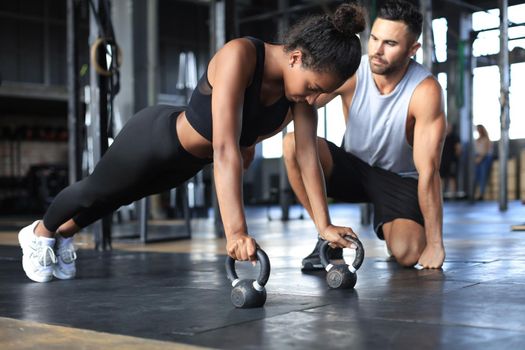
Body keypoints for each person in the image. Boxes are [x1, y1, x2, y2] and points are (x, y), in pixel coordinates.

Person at [18, 4, 366, 282]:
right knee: (94, 190)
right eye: (312, 87)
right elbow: (225, 146)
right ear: (295, 58)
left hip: (186, 162)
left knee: (117, 197)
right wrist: (236, 232)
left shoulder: (299, 98)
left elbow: (307, 156)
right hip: (154, 138)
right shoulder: (241, 55)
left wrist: (324, 226)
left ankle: (64, 235)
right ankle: (40, 233)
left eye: (322, 92)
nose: (314, 98)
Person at [283, 0, 446, 270]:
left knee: (408, 254)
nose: (377, 51)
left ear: (412, 49)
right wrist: (249, 138)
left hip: (398, 180)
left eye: (390, 44)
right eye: (373, 39)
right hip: (353, 168)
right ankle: (327, 239)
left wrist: (436, 243)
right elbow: (302, 98)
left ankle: (396, 227)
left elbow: (429, 172)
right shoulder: (352, 71)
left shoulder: (425, 91)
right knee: (291, 144)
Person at [440, 123, 461, 199]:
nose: (448, 128)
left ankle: (453, 195)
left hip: (452, 161)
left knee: (452, 178)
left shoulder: (455, 137)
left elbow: (458, 149)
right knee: (441, 178)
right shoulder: (441, 136)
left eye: (449, 127)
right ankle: (441, 195)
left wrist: (455, 158)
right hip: (442, 160)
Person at [474, 124, 493, 200]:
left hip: (485, 158)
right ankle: (476, 193)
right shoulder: (478, 139)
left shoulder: (486, 139)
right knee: (476, 176)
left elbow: (485, 151)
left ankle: (481, 194)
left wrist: (480, 159)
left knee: (483, 176)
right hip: (478, 158)